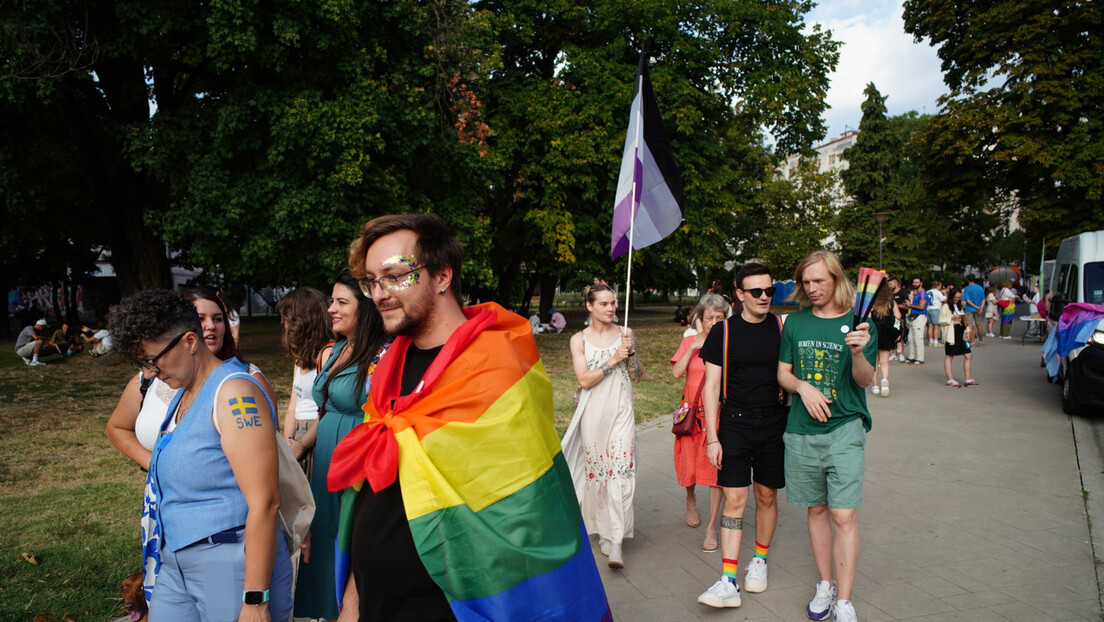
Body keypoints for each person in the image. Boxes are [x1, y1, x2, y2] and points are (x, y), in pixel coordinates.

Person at [326, 214, 610, 620]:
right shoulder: (388, 369)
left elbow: (527, 513)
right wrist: (352, 603)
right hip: (377, 601)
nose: (380, 293)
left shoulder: (497, 368)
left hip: (456, 606)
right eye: (372, 281)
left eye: (394, 276)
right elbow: (373, 494)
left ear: (442, 276)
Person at [107, 289, 293, 621]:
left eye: (154, 360)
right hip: (177, 561)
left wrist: (254, 600)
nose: (150, 372)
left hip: (229, 561)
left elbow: (266, 502)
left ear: (190, 342)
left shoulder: (234, 392)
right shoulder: (185, 391)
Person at [777, 250, 876, 622]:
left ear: (836, 279)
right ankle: (825, 584)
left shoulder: (859, 323)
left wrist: (859, 353)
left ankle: (845, 600)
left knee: (843, 514)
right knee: (816, 509)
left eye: (819, 280)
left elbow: (865, 380)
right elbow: (783, 374)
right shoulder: (796, 323)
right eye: (806, 281)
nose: (812, 288)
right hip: (801, 431)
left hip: (845, 427)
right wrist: (802, 387)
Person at [289, 269, 387, 621]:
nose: (330, 308)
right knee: (323, 546)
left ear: (366, 309)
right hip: (324, 466)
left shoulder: (382, 356)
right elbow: (326, 411)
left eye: (341, 302)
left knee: (350, 550)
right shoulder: (336, 350)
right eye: (332, 300)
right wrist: (298, 448)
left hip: (356, 469)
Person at [695, 264, 787, 609]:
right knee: (735, 499)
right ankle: (728, 579)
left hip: (774, 423)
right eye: (756, 292)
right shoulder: (724, 332)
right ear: (740, 294)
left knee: (765, 495)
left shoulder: (781, 328)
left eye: (769, 291)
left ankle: (759, 560)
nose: (764, 297)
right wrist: (712, 437)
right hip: (734, 423)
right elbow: (711, 387)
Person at [562, 283, 644, 569]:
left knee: (620, 471)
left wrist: (630, 354)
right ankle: (603, 531)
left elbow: (637, 375)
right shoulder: (578, 340)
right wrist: (613, 359)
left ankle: (617, 542)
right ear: (590, 306)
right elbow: (584, 379)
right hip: (593, 411)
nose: (611, 309)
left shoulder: (625, 333)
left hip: (621, 408)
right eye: (605, 304)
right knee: (598, 473)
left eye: (614, 303)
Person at [670, 294, 727, 553]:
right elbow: (676, 372)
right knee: (688, 466)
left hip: (716, 414)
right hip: (691, 413)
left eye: (720, 317)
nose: (714, 322)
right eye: (710, 318)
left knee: (716, 472)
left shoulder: (729, 343)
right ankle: (690, 499)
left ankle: (712, 526)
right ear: (700, 319)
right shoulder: (690, 341)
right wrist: (693, 347)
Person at [275, 287, 334, 480]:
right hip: (298, 437)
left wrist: (301, 446)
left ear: (304, 321)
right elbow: (293, 406)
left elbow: (327, 411)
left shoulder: (328, 355)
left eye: (289, 319)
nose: (284, 325)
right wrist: (288, 441)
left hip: (316, 436)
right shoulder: (299, 359)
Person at [868, 283, 900, 398]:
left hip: (874, 333)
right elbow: (899, 315)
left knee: (874, 362)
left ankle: (875, 386)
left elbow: (869, 318)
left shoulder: (873, 301)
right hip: (887, 333)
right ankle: (885, 380)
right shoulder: (891, 301)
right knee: (884, 361)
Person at [943, 289, 976, 387]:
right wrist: (952, 318)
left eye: (959, 297)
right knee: (950, 355)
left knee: (968, 355)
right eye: (955, 297)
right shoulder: (946, 306)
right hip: (952, 332)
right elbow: (941, 320)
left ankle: (968, 378)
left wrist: (967, 331)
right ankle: (950, 379)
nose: (957, 299)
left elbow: (964, 319)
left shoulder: (959, 306)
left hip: (961, 330)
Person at [905, 277, 928, 364]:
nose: (915, 284)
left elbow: (921, 306)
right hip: (914, 317)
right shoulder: (917, 293)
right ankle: (912, 356)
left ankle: (920, 358)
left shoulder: (922, 293)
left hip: (920, 316)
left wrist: (910, 305)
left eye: (917, 282)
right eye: (914, 282)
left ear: (921, 283)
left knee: (918, 338)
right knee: (911, 338)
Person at [888, 278, 910, 362]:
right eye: (888, 284)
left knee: (900, 336)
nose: (889, 286)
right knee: (892, 337)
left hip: (900, 318)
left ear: (896, 284)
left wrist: (896, 306)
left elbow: (907, 306)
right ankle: (894, 353)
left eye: (890, 284)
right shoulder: (889, 293)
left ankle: (901, 353)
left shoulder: (902, 293)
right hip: (890, 318)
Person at [962, 274, 986, 345]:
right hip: (978, 308)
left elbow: (967, 300)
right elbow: (983, 299)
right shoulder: (980, 288)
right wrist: (980, 307)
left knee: (970, 325)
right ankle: (981, 341)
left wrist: (975, 306)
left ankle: (972, 342)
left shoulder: (967, 288)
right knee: (979, 325)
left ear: (968, 279)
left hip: (969, 308)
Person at [926, 280, 945, 346]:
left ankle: (931, 341)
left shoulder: (928, 291)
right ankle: (936, 341)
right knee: (936, 326)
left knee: (930, 325)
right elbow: (944, 299)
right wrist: (945, 293)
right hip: (935, 308)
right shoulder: (937, 292)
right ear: (938, 286)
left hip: (928, 308)